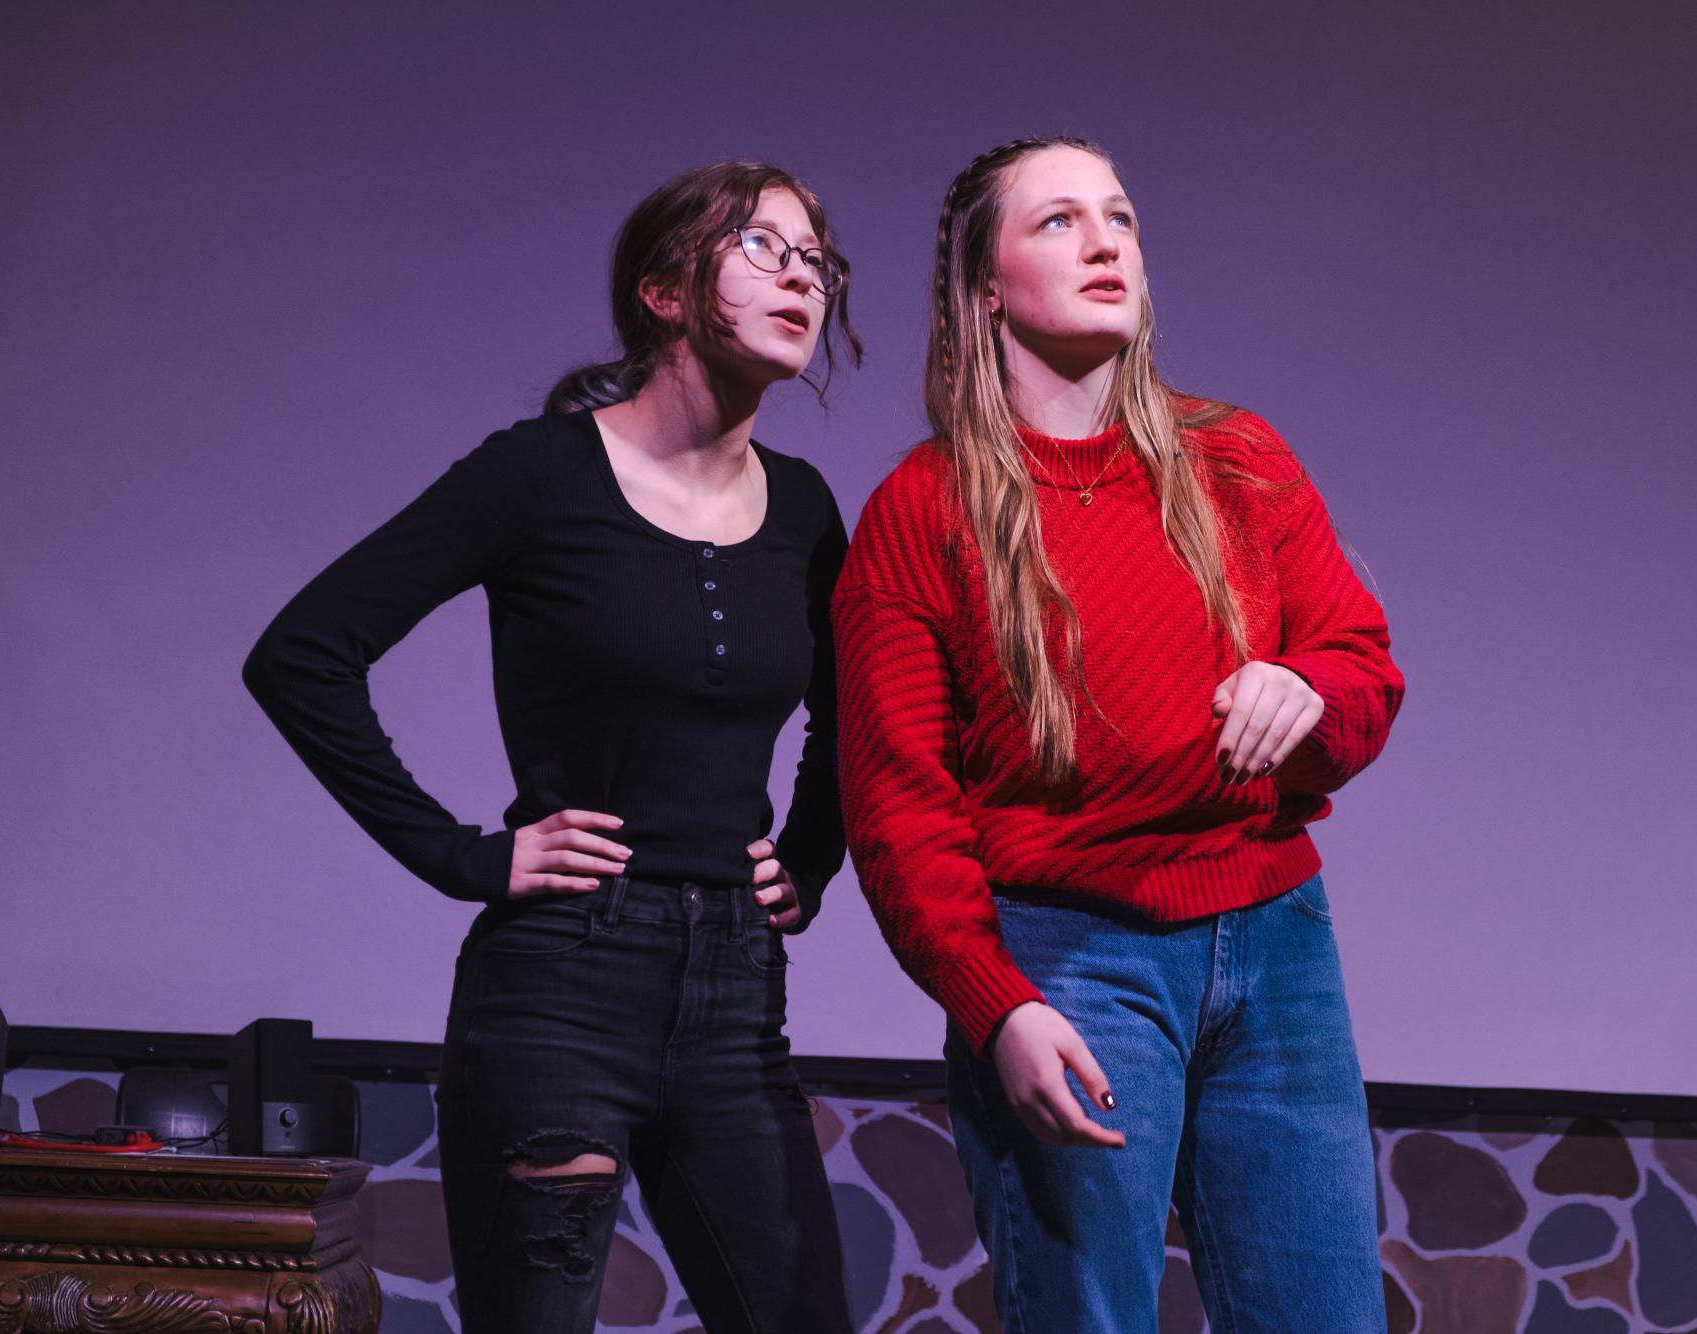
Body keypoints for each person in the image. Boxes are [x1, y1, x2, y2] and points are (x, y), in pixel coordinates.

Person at [243, 160, 858, 1333]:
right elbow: (303, 653)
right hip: (563, 983)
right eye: (763, 249)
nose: (803, 280)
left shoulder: (807, 507)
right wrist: (465, 856)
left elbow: (849, 708)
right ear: (665, 291)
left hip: (737, 993)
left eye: (816, 260)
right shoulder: (539, 474)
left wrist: (813, 852)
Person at [833, 137, 1403, 1332]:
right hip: (1071, 958)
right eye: (1057, 222)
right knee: (1089, 1313)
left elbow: (1362, 670)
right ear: (982, 285)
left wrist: (1307, 693)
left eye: (1122, 217)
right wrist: (996, 1002)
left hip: (1276, 946)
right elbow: (897, 807)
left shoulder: (1239, 459)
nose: (1104, 241)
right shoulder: (922, 511)